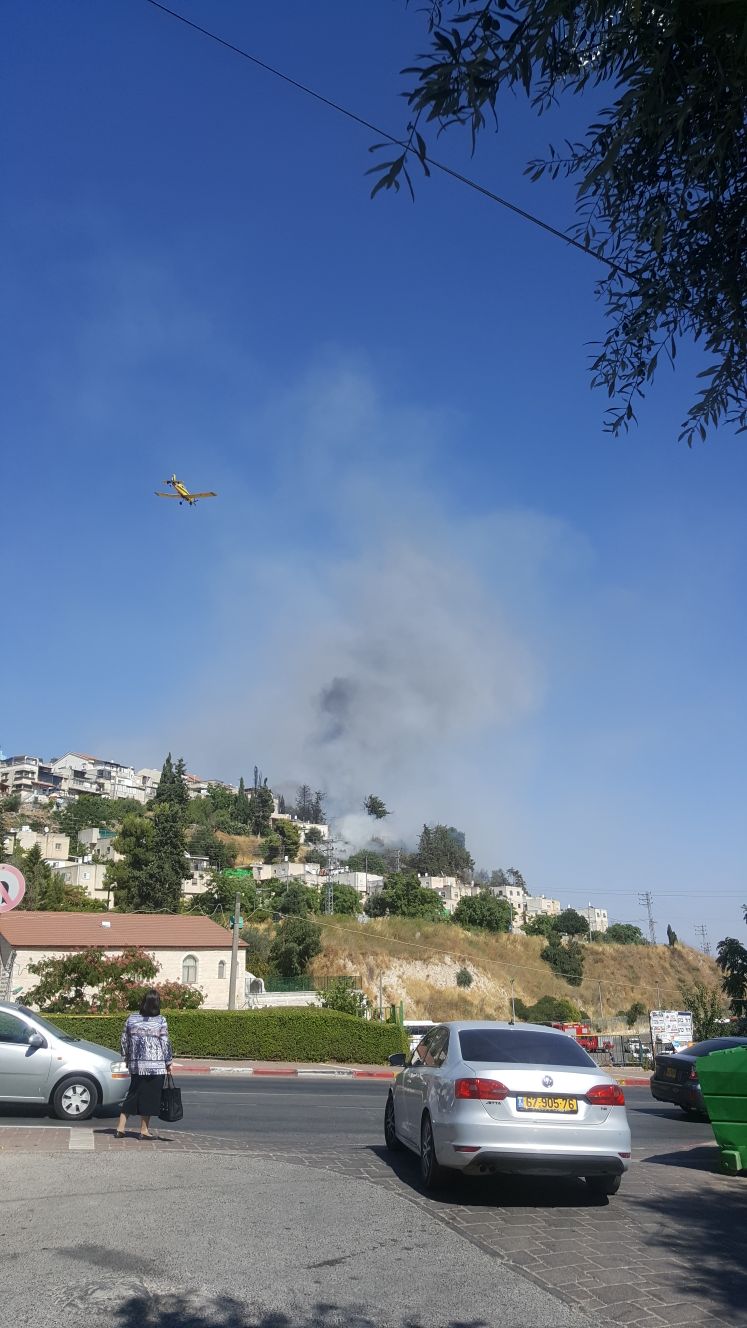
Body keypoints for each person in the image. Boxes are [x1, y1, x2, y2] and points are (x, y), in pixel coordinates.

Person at [116, 989, 173, 1139]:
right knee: (150, 1098)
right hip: (156, 1067)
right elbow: (165, 1043)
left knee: (132, 1095)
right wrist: (168, 1062)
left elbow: (124, 1040)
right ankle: (144, 1131)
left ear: (143, 1002)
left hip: (136, 1065)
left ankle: (120, 1128)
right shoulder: (161, 1020)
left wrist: (127, 1058)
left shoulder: (131, 1018)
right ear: (157, 1003)